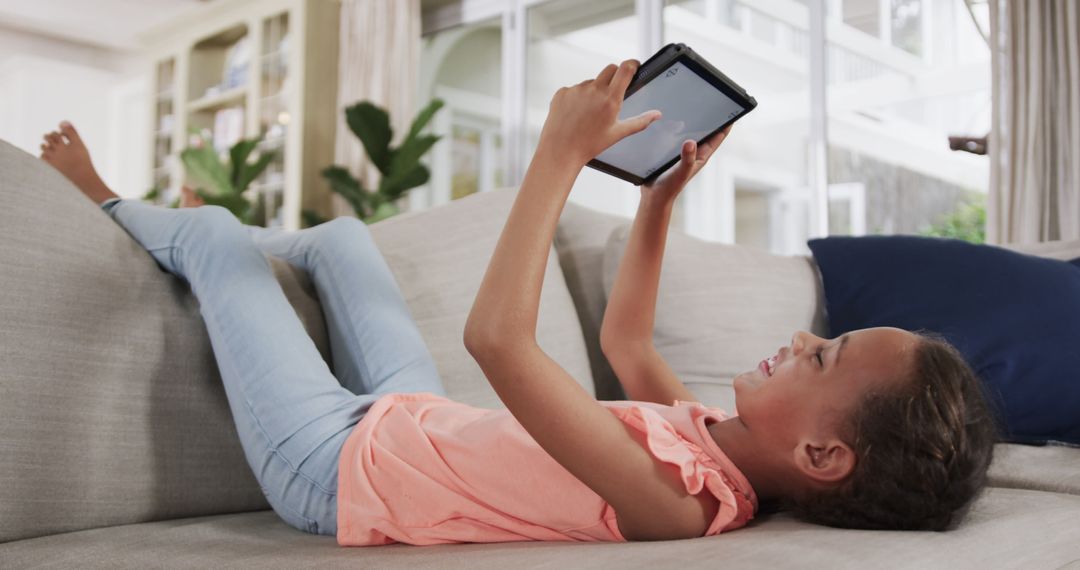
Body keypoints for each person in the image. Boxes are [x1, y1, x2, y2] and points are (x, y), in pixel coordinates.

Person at [38, 59, 997, 547]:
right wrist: (659, 200)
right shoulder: (708, 432)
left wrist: (558, 155)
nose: (801, 339)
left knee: (209, 241)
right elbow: (624, 334)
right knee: (340, 243)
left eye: (823, 358)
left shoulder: (677, 504)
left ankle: (115, 204)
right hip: (405, 421)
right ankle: (234, 246)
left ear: (822, 456)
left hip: (331, 469)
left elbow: (496, 338)